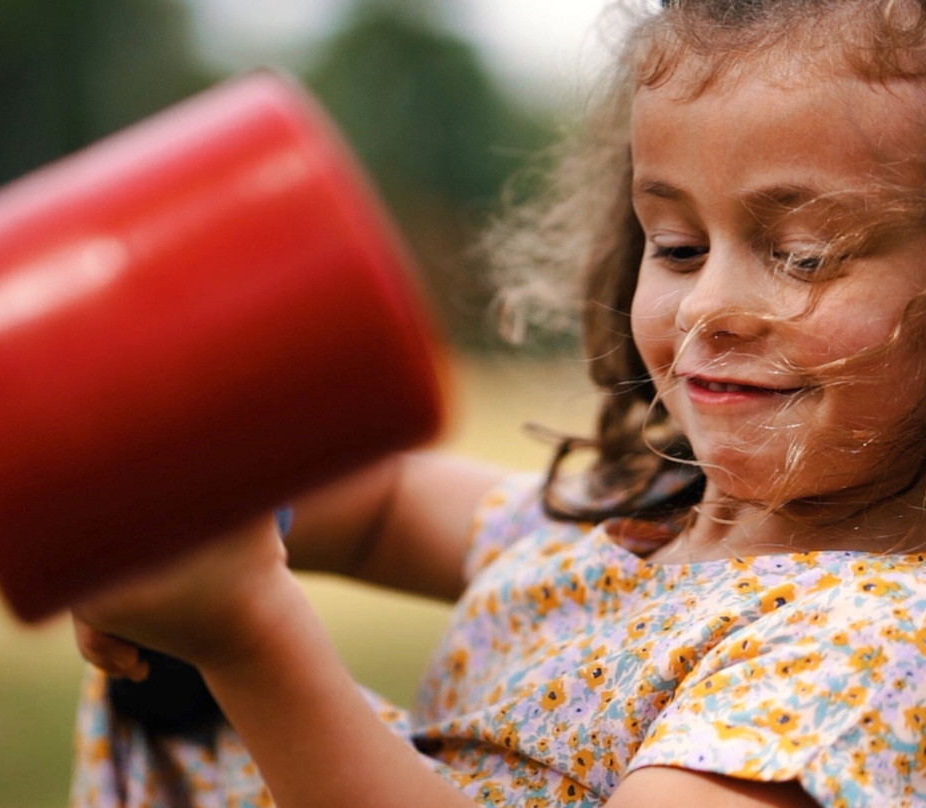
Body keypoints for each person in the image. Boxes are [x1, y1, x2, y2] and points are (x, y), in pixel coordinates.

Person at [68, 0, 926, 805]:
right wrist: (192, 512)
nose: (705, 305)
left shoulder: (868, 658)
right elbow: (384, 507)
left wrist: (247, 638)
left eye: (804, 256)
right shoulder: (639, 520)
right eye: (677, 246)